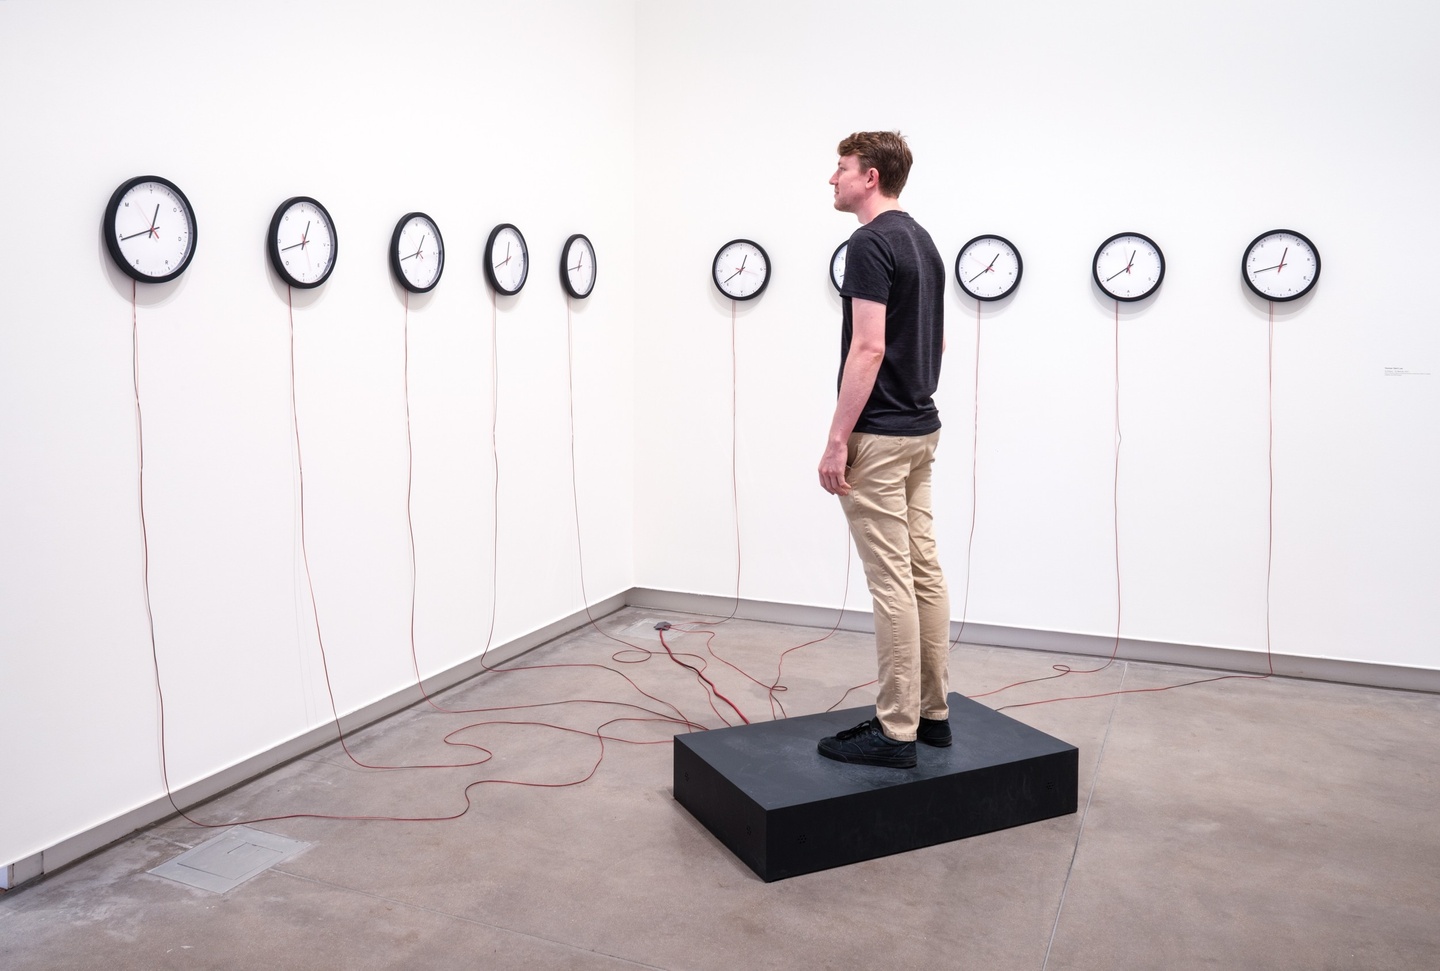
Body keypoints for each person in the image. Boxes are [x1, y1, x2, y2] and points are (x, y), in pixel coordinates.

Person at [817, 130, 951, 769]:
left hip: (881, 434)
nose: (832, 179)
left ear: (870, 177)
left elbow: (868, 347)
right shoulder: (922, 240)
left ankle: (895, 730)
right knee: (923, 571)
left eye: (840, 168)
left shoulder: (870, 243)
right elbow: (937, 344)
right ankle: (933, 714)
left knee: (893, 582)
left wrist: (838, 439)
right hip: (922, 428)